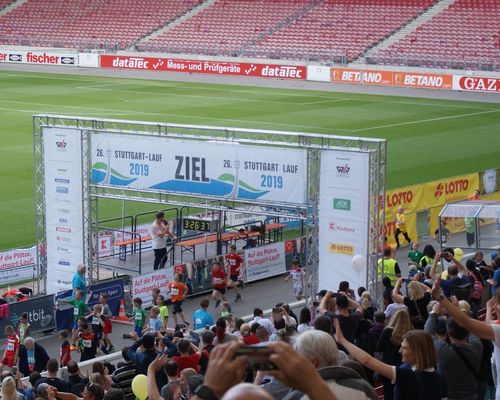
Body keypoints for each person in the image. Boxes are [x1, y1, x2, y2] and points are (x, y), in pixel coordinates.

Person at [335, 320, 447, 400]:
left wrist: (343, 341)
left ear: (417, 351)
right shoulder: (440, 377)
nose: (400, 351)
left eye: (404, 348)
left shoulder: (406, 375)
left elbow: (367, 360)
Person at [424, 302, 482, 400]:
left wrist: (434, 312)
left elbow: (428, 333)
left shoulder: (443, 352)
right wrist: (459, 313)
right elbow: (473, 328)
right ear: (467, 332)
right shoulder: (477, 347)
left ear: (449, 334)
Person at [376, 309, 412, 400]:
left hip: (387, 365)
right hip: (403, 366)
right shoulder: (409, 333)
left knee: (388, 392)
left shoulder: (387, 331)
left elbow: (379, 348)